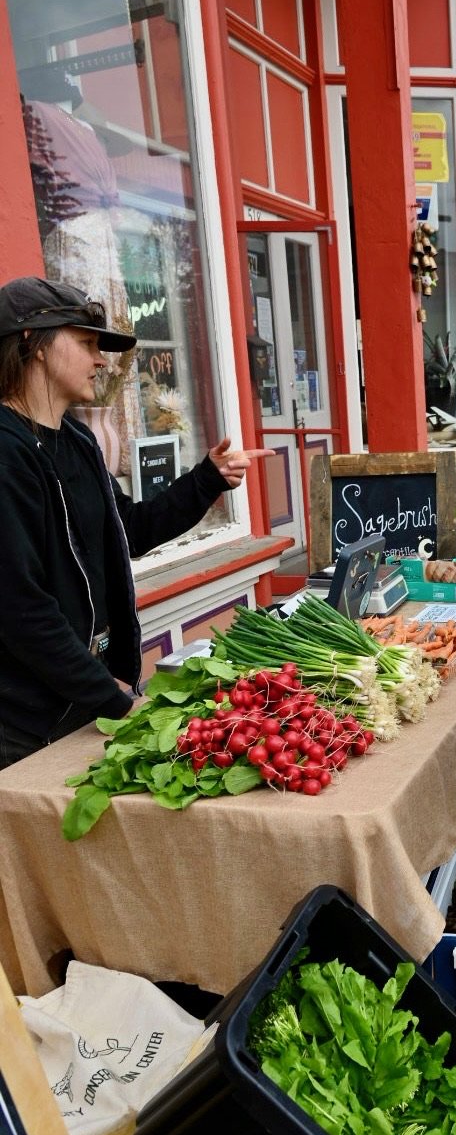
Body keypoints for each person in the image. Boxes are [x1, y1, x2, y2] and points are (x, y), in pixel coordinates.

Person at [0, 276, 269, 769]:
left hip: (89, 700)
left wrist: (206, 480)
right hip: (27, 724)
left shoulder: (78, 442)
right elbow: (20, 609)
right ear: (31, 345)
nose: (100, 359)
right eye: (84, 343)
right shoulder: (6, 452)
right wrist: (114, 698)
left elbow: (133, 531)